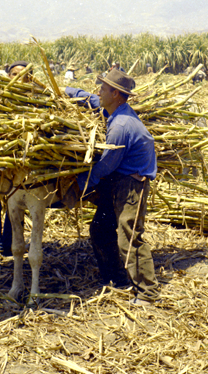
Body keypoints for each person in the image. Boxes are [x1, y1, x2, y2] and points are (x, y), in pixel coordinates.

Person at [64, 69, 160, 305]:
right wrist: (62, 91)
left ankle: (148, 292)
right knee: (100, 229)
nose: (99, 91)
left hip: (131, 183)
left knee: (129, 235)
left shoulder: (122, 125)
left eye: (104, 88)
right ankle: (116, 278)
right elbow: (89, 98)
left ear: (116, 94)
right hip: (117, 180)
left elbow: (107, 164)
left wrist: (82, 184)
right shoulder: (113, 108)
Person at [0, 61, 32, 257]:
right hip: (0, 157)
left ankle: (9, 243)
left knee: (16, 199)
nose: (18, 78)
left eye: (24, 74)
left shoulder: (35, 100)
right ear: (8, 76)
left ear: (30, 78)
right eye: (14, 74)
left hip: (22, 160)